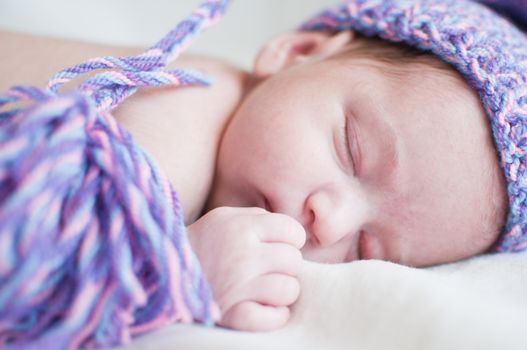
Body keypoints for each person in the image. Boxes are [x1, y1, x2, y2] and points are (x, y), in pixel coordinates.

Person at [1, 0, 526, 344]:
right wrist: (182, 269)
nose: (332, 222)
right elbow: (33, 259)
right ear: (298, 53)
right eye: (353, 151)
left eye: (368, 248)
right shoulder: (184, 109)